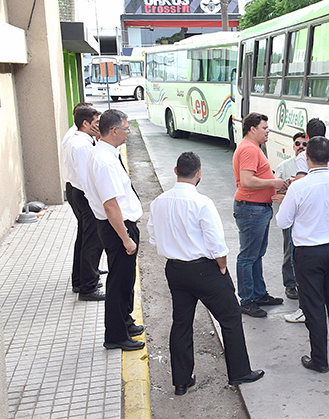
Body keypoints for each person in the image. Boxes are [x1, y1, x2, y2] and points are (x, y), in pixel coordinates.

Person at [148, 152, 264, 395]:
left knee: (181, 323)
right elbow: (216, 243)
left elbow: (154, 237)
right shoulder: (202, 203)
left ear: (175, 170)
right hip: (204, 269)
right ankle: (239, 372)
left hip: (175, 269)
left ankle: (181, 381)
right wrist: (221, 265)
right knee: (230, 317)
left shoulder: (159, 201)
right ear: (199, 173)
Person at [276, 137, 329, 373]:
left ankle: (319, 360)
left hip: (308, 253)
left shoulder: (299, 187)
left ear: (307, 158)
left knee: (313, 306)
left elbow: (283, 221)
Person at [84, 109, 145, 351]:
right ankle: (116, 335)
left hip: (120, 226)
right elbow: (110, 205)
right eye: (126, 129)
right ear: (114, 131)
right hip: (118, 229)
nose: (129, 133)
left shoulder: (106, 153)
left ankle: (125, 321)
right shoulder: (104, 161)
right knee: (118, 283)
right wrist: (126, 239)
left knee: (126, 280)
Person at [232, 112, 288, 317]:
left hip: (257, 209)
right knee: (248, 256)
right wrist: (273, 183)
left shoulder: (251, 147)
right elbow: (246, 180)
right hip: (252, 209)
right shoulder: (249, 149)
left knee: (256, 254)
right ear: (252, 129)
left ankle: (258, 293)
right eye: (264, 128)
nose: (268, 131)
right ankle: (247, 300)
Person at [62, 105, 105, 301]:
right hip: (83, 195)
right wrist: (97, 202)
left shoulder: (78, 138)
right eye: (96, 123)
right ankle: (88, 287)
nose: (99, 126)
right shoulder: (81, 145)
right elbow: (85, 177)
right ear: (85, 124)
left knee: (84, 238)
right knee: (92, 242)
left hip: (77, 192)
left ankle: (81, 279)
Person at [274, 132, 306, 301]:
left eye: (304, 144)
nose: (301, 147)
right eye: (297, 143)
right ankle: (290, 284)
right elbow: (275, 189)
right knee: (289, 250)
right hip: (290, 216)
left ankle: (303, 283)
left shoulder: (311, 166)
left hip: (306, 217)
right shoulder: (284, 166)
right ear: (293, 146)